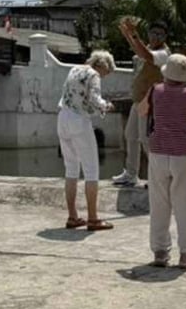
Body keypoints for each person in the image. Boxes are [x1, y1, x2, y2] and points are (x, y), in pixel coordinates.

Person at [137, 52, 186, 269]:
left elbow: (141, 111)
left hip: (158, 150)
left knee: (159, 203)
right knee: (183, 202)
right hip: (184, 152)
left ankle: (160, 252)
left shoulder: (155, 90)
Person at [58, 49, 117, 231]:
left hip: (62, 118)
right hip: (79, 121)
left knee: (71, 169)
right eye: (106, 72)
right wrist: (106, 106)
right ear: (102, 65)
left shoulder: (74, 69)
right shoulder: (93, 75)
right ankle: (93, 218)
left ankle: (73, 216)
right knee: (91, 171)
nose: (104, 76)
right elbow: (93, 98)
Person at [114, 19, 169, 188]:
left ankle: (157, 176)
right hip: (138, 101)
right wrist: (128, 36)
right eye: (153, 33)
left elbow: (146, 56)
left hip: (151, 103)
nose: (155, 37)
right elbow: (139, 51)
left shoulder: (163, 53)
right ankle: (131, 174)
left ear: (165, 36)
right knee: (131, 136)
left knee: (146, 141)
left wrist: (134, 35)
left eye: (160, 34)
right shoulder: (148, 47)